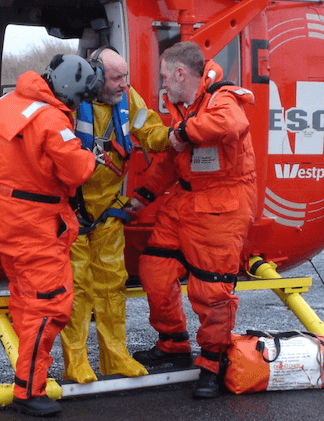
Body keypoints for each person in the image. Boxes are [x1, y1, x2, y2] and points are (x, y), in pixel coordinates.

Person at [128, 41, 257, 399]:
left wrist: (183, 133)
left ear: (182, 73)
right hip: (185, 202)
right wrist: (142, 198)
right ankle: (173, 343)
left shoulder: (221, 100)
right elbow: (172, 160)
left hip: (221, 207)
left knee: (211, 292)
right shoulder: (185, 107)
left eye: (165, 76)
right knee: (154, 268)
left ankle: (212, 365)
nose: (163, 84)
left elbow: (233, 124)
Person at [0, 54, 102, 417]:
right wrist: (90, 155)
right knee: (50, 305)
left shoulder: (10, 102)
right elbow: (77, 171)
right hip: (35, 226)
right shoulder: (51, 119)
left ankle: (26, 377)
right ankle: (28, 390)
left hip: (5, 219)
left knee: (25, 299)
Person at [61, 47, 170, 384]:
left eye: (126, 76)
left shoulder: (127, 99)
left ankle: (115, 356)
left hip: (108, 212)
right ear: (95, 76)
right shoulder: (70, 100)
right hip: (73, 212)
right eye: (117, 78)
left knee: (112, 285)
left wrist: (174, 137)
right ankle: (76, 361)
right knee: (77, 287)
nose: (124, 84)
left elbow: (149, 131)